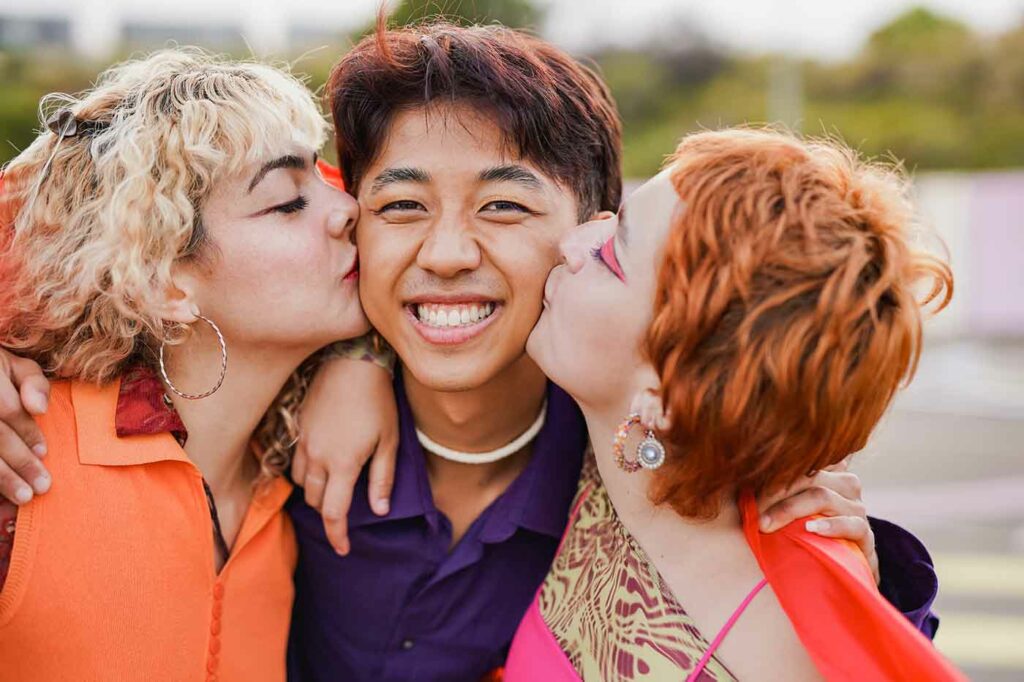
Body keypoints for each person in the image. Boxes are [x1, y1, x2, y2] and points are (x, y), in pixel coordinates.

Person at [0, 22, 940, 682]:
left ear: (591, 230)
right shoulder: (257, 433)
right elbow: (96, 206)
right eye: (398, 207)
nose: (444, 254)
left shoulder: (641, 474)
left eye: (505, 206)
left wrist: (851, 580)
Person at [507, 127, 963, 680]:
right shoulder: (602, 455)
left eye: (611, 254)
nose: (573, 241)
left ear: (670, 393)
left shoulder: (777, 656)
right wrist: (368, 362)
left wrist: (846, 590)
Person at [0, 48, 380, 681]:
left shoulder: (296, 484)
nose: (347, 210)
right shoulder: (22, 470)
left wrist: (370, 359)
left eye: (321, 178)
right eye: (289, 202)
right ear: (163, 283)